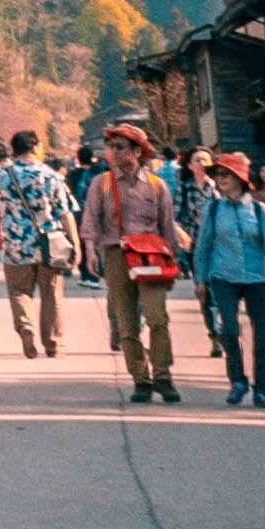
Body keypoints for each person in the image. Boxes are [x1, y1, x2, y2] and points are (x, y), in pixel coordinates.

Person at [83, 125, 185, 402]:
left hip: (150, 253)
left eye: (120, 147)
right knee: (126, 322)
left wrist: (173, 261)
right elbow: (91, 220)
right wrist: (90, 251)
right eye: (110, 146)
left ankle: (163, 376)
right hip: (116, 253)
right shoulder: (101, 183)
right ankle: (140, 379)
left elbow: (167, 225)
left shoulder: (156, 184)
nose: (113, 152)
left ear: (137, 152)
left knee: (157, 317)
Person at [189, 154, 265, 404]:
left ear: (240, 178)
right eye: (217, 175)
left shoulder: (259, 210)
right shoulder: (213, 209)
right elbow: (203, 246)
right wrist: (201, 280)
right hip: (224, 277)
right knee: (229, 330)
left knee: (263, 335)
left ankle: (263, 388)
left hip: (257, 278)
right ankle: (238, 381)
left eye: (225, 175)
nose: (219, 180)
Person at [0, 138, 71, 356]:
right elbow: (64, 211)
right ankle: (53, 342)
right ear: (35, 147)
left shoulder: (2, 176)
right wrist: (75, 242)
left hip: (15, 242)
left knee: (18, 291)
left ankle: (26, 327)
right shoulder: (50, 175)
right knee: (51, 292)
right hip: (49, 244)